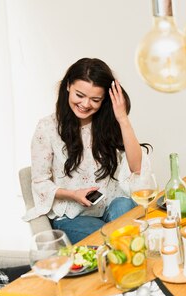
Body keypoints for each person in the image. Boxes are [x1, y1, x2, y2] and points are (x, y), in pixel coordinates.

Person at [23, 58, 150, 243]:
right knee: (112, 240)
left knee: (127, 211)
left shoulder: (108, 123)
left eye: (95, 99)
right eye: (79, 95)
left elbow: (137, 168)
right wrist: (73, 194)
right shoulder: (47, 128)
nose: (85, 104)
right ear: (68, 86)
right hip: (73, 215)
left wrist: (122, 118)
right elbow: (40, 182)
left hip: (111, 204)